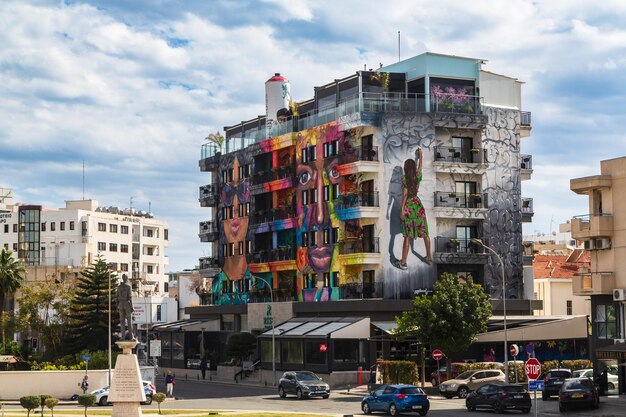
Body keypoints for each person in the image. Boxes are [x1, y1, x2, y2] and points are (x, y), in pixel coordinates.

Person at [397, 147, 432, 270]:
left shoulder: (405, 179)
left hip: (409, 207)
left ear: (406, 168)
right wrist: (421, 156)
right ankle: (428, 257)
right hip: (418, 206)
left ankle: (404, 262)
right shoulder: (417, 176)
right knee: (425, 232)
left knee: (407, 236)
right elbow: (420, 167)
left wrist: (402, 210)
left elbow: (405, 195)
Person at [116, 274, 134, 340]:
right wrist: (132, 307)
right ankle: (131, 337)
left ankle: (122, 337)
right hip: (127, 304)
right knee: (129, 321)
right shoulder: (128, 287)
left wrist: (117, 306)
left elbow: (116, 297)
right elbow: (130, 298)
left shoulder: (119, 287)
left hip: (120, 304)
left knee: (122, 321)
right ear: (126, 278)